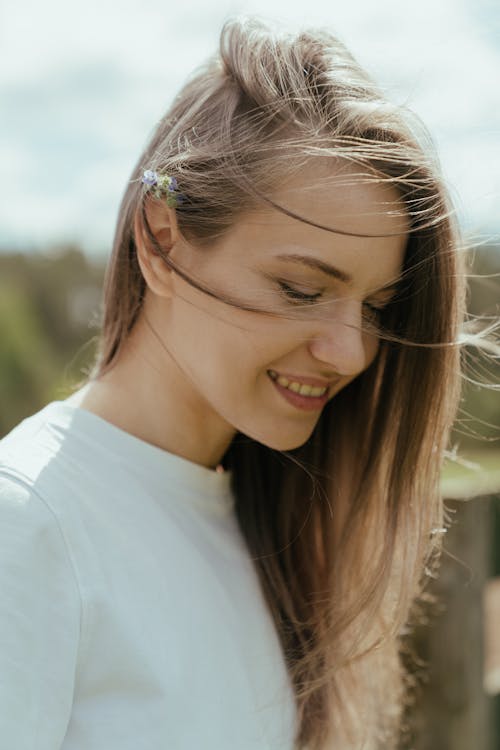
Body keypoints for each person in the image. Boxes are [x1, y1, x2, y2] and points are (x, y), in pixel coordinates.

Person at [0, 15, 469, 750]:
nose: (350, 353)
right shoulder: (28, 524)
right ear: (161, 240)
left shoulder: (260, 525)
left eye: (377, 308)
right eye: (301, 289)